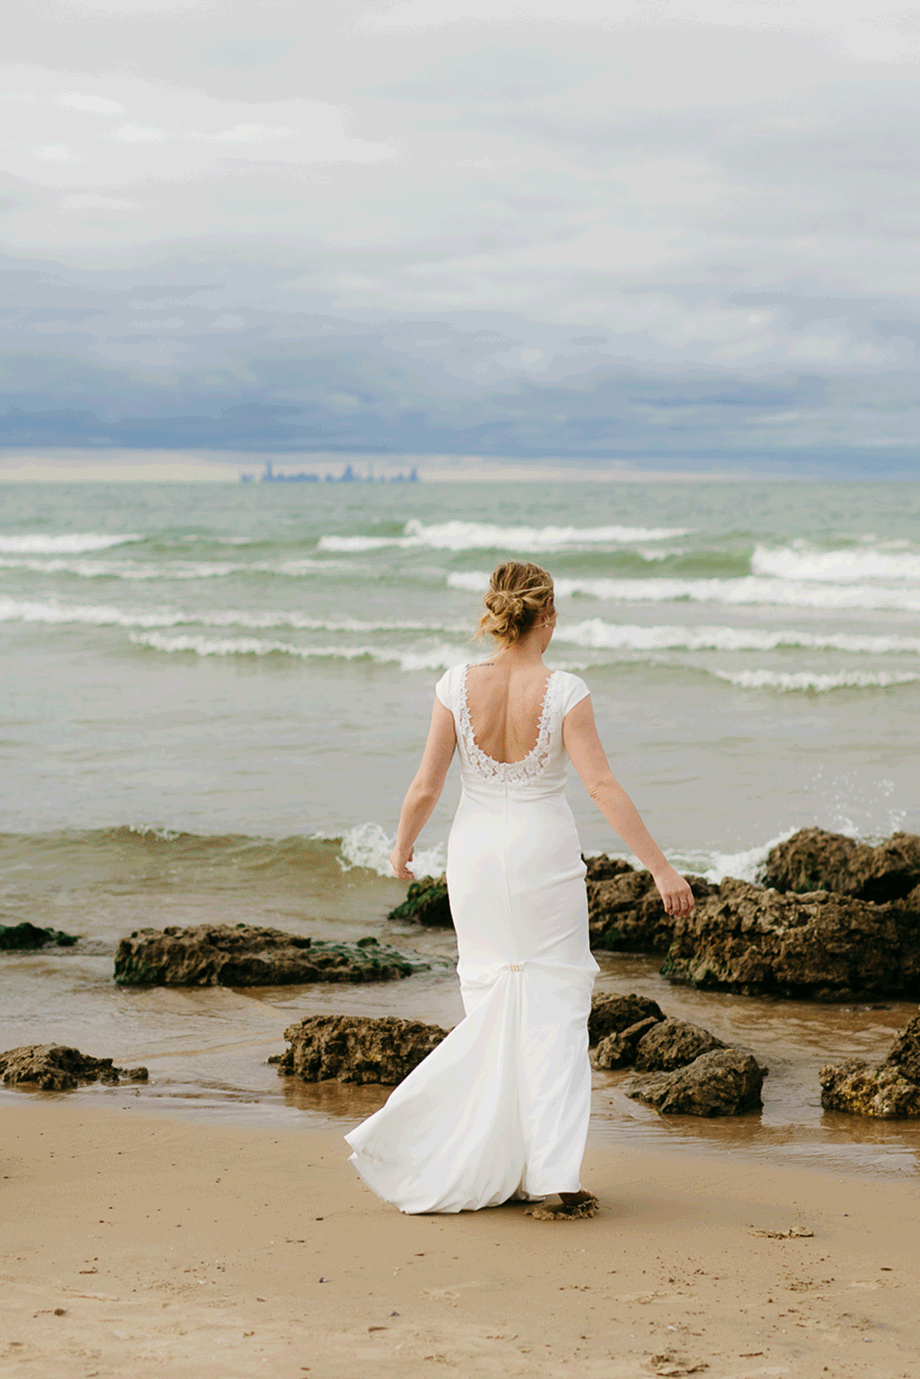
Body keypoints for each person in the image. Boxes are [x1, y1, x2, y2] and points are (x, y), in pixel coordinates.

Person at [345, 560, 694, 1215]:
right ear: (549, 616)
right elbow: (601, 785)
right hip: (541, 857)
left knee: (491, 1001)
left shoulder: (454, 685)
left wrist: (400, 844)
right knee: (555, 1008)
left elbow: (426, 784)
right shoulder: (566, 690)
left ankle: (489, 1160)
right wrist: (660, 867)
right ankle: (553, 1175)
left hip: (475, 856)